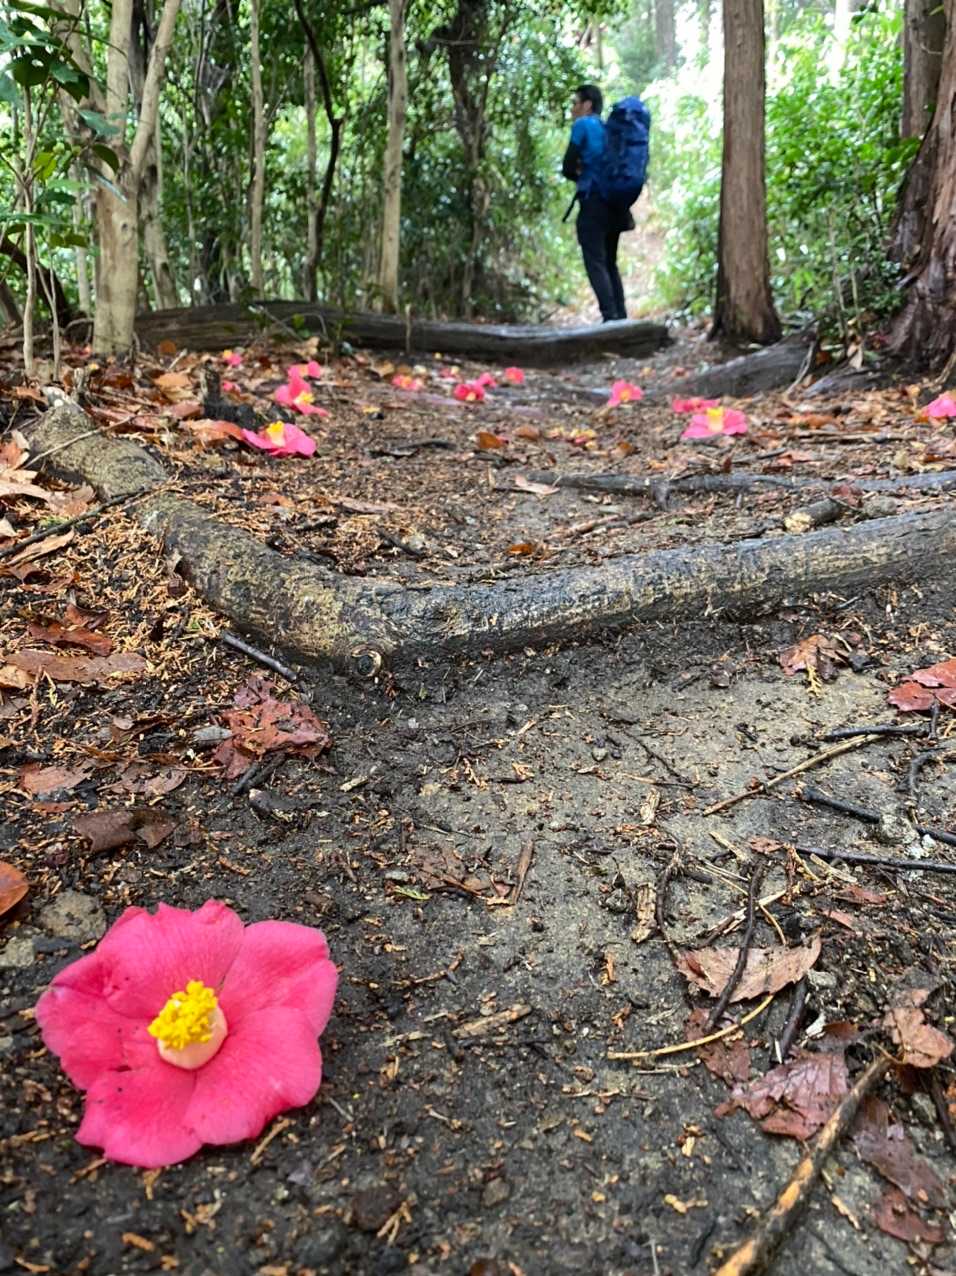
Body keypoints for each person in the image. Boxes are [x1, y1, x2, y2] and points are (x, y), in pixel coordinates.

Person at [562, 83, 631, 323]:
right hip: (615, 203)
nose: (572, 108)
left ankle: (609, 318)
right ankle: (620, 318)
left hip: (593, 202)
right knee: (610, 262)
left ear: (587, 105)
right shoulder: (607, 128)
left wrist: (580, 174)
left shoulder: (582, 125)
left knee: (595, 262)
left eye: (575, 103)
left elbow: (567, 166)